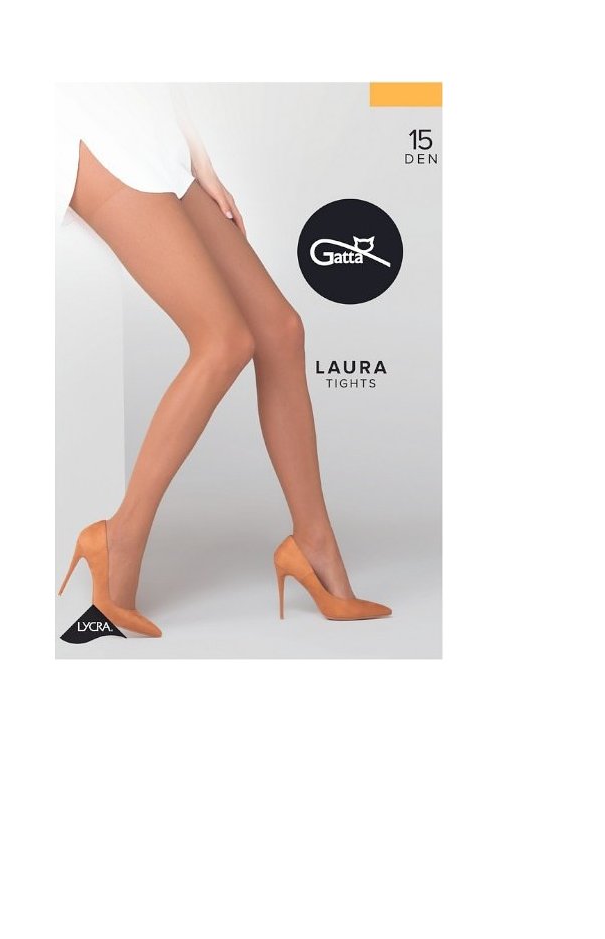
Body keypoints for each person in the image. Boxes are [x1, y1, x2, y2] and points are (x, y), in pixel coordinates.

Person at [56, 84, 391, 636]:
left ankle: (314, 546)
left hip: (147, 120)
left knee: (281, 331)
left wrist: (200, 158)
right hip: (82, 123)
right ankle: (118, 538)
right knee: (223, 340)